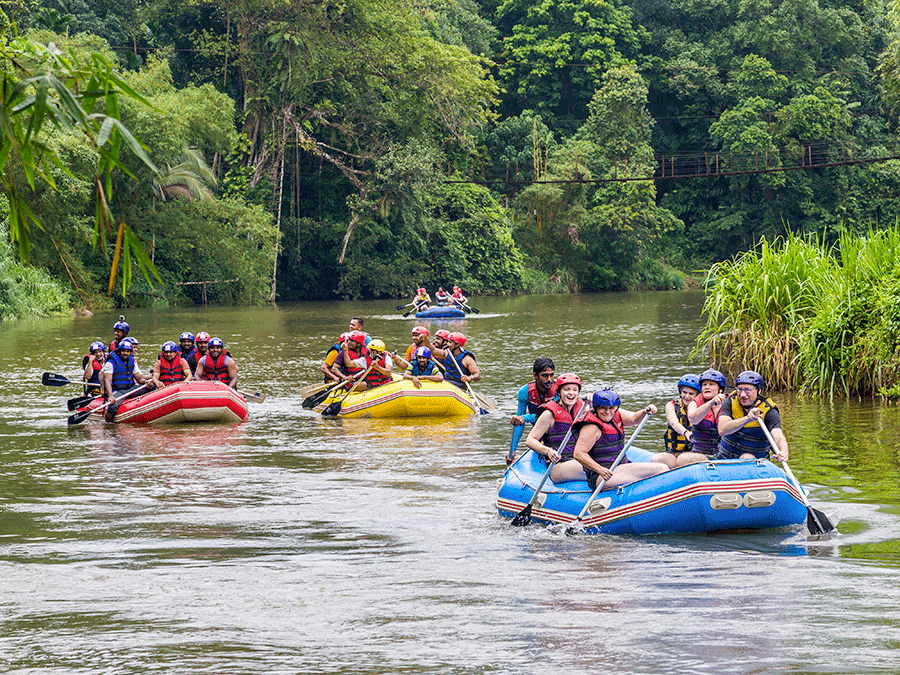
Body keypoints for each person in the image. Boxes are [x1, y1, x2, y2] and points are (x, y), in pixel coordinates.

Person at [564, 388, 669, 487]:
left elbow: (634, 419)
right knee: (661, 468)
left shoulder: (616, 414)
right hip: (602, 476)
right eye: (603, 408)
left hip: (619, 467)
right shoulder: (591, 427)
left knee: (661, 468)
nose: (607, 412)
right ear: (596, 408)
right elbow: (578, 454)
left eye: (611, 408)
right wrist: (600, 469)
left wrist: (645, 411)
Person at [525, 373, 590, 482]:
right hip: (559, 465)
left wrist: (595, 401)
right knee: (595, 466)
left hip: (579, 458)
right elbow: (530, 440)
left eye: (575, 390)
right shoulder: (549, 414)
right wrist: (548, 451)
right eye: (566, 389)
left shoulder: (584, 409)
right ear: (559, 392)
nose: (571, 393)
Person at [714, 370, 788, 462]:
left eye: (748, 390)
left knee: (746, 457)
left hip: (755, 463)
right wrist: (747, 419)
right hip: (724, 459)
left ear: (759, 390)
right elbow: (722, 430)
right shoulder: (730, 401)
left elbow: (778, 435)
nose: (743, 395)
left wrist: (783, 451)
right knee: (691, 458)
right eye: (739, 389)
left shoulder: (769, 411)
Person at [673, 369, 728, 467]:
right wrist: (711, 402)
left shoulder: (729, 403)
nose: (707, 387)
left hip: (723, 455)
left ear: (720, 389)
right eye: (704, 384)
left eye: (711, 384)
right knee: (675, 459)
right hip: (701, 454)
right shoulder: (694, 403)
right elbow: (693, 419)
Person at [651, 374, 701, 469]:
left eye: (691, 394)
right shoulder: (671, 405)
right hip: (674, 454)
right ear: (680, 392)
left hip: (695, 454)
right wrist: (686, 433)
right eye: (684, 392)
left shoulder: (701, 408)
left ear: (697, 395)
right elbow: (674, 423)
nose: (686, 396)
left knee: (684, 460)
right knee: (656, 459)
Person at [100, 337, 147, 421]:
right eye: (123, 351)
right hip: (118, 390)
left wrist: (145, 382)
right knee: (113, 406)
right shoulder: (111, 363)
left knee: (152, 386)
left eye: (128, 351)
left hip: (131, 388)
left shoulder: (131, 361)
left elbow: (139, 378)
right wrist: (110, 396)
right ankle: (108, 425)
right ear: (119, 351)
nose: (125, 353)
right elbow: (107, 380)